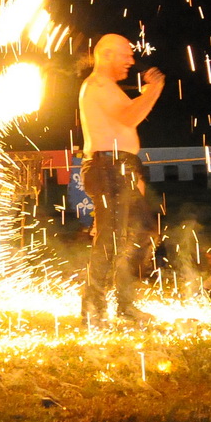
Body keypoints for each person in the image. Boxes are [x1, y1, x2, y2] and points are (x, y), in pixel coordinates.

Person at [78, 34, 164, 325]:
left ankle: (124, 305)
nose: (131, 60)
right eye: (125, 54)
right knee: (111, 240)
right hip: (108, 168)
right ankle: (94, 309)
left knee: (139, 234)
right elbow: (129, 117)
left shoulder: (110, 88)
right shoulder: (98, 85)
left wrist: (135, 175)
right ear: (106, 55)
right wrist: (153, 90)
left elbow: (124, 128)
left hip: (120, 168)